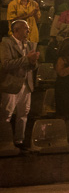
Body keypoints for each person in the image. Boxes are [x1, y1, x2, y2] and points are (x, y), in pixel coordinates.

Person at [0, 20, 39, 151]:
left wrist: (33, 62)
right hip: (11, 84)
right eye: (25, 28)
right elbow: (6, 64)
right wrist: (27, 59)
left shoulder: (29, 44)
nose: (28, 31)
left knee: (24, 113)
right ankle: (4, 141)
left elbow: (33, 66)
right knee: (7, 114)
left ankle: (19, 140)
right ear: (16, 30)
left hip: (26, 84)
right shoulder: (6, 43)